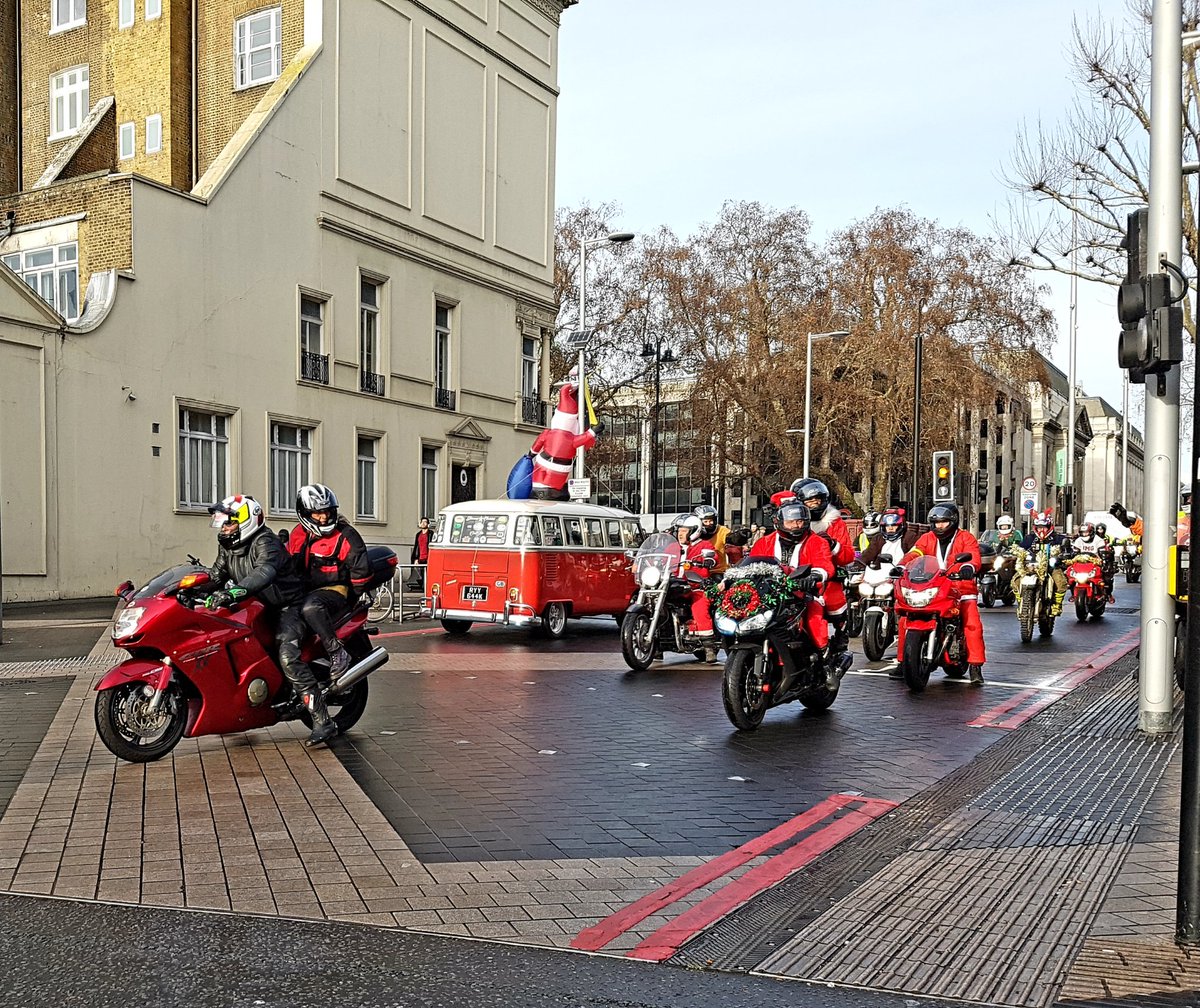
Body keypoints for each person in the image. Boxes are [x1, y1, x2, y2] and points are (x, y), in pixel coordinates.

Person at [205, 494, 337, 745]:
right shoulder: (228, 545)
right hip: (258, 606)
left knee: (287, 654)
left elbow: (263, 572)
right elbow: (215, 575)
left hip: (288, 606)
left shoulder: (266, 542)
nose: (223, 528)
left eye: (228, 522)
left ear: (246, 521)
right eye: (221, 522)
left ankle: (323, 720)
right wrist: (185, 590)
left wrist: (234, 592)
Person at [285, 484, 372, 744]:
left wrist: (356, 596)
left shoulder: (346, 535)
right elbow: (290, 565)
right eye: (317, 513)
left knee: (311, 607)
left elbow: (360, 572)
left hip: (336, 592)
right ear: (304, 513)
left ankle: (337, 653)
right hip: (306, 592)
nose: (323, 517)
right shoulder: (298, 535)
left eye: (327, 511)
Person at [749, 491, 843, 689]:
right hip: (768, 595)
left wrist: (815, 576)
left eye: (800, 521)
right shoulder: (764, 542)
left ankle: (826, 666)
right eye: (791, 522)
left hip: (803, 595)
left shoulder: (815, 540)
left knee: (815, 619)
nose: (796, 525)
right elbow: (750, 563)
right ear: (780, 522)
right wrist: (732, 578)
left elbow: (825, 564)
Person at [900, 502, 986, 685]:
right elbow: (915, 553)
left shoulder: (966, 537)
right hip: (935, 586)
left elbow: (973, 556)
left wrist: (969, 567)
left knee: (972, 622)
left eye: (944, 522)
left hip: (961, 587)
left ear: (953, 521)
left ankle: (975, 666)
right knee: (905, 618)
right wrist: (902, 566)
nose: (939, 526)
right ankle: (903, 662)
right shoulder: (926, 538)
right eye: (936, 522)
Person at [790, 478, 855, 655]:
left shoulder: (835, 523)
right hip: (793, 574)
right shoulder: (792, 522)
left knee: (833, 601)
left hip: (824, 575)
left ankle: (840, 633)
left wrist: (833, 545)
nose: (814, 504)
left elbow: (848, 555)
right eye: (809, 501)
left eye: (817, 500)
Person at [672, 514, 719, 662]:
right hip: (672, 583)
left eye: (684, 530)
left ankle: (708, 645)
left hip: (695, 585)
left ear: (694, 531)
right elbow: (659, 555)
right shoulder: (673, 546)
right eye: (679, 530)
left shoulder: (704, 546)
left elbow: (713, 558)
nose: (680, 533)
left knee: (699, 606)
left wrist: (708, 560)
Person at [1018, 510, 1070, 617]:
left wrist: (1064, 554)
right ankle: (1021, 602)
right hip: (1031, 567)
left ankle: (1057, 605)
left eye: (1044, 527)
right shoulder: (1030, 538)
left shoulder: (1058, 538)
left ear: (1049, 526)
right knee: (1016, 580)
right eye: (1039, 527)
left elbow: (1067, 549)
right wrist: (1017, 553)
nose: (1041, 530)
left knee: (1061, 582)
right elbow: (1020, 549)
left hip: (1051, 567)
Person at [409, 516, 431, 590]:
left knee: (428, 574)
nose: (423, 523)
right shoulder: (418, 535)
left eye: (425, 522)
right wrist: (415, 558)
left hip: (428, 557)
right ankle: (423, 587)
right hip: (420, 557)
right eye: (422, 522)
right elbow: (416, 547)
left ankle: (426, 588)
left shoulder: (431, 534)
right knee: (421, 574)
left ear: (428, 524)